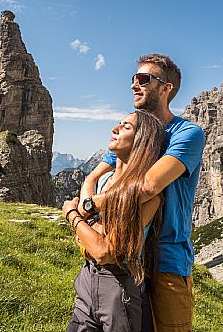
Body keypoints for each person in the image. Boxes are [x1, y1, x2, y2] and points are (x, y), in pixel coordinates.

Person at [78, 54, 205, 332]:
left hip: (166, 261)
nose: (135, 85)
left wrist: (89, 205)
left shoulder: (187, 134)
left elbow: (148, 186)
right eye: (133, 79)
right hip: (128, 259)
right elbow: (94, 175)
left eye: (144, 79)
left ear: (166, 87)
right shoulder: (138, 134)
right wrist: (87, 202)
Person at [63, 110, 166, 332]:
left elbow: (104, 251)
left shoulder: (148, 197)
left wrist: (72, 214)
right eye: (119, 123)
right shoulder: (106, 182)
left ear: (142, 143)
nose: (115, 129)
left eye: (126, 127)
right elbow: (86, 240)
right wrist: (87, 227)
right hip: (87, 278)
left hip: (119, 287)